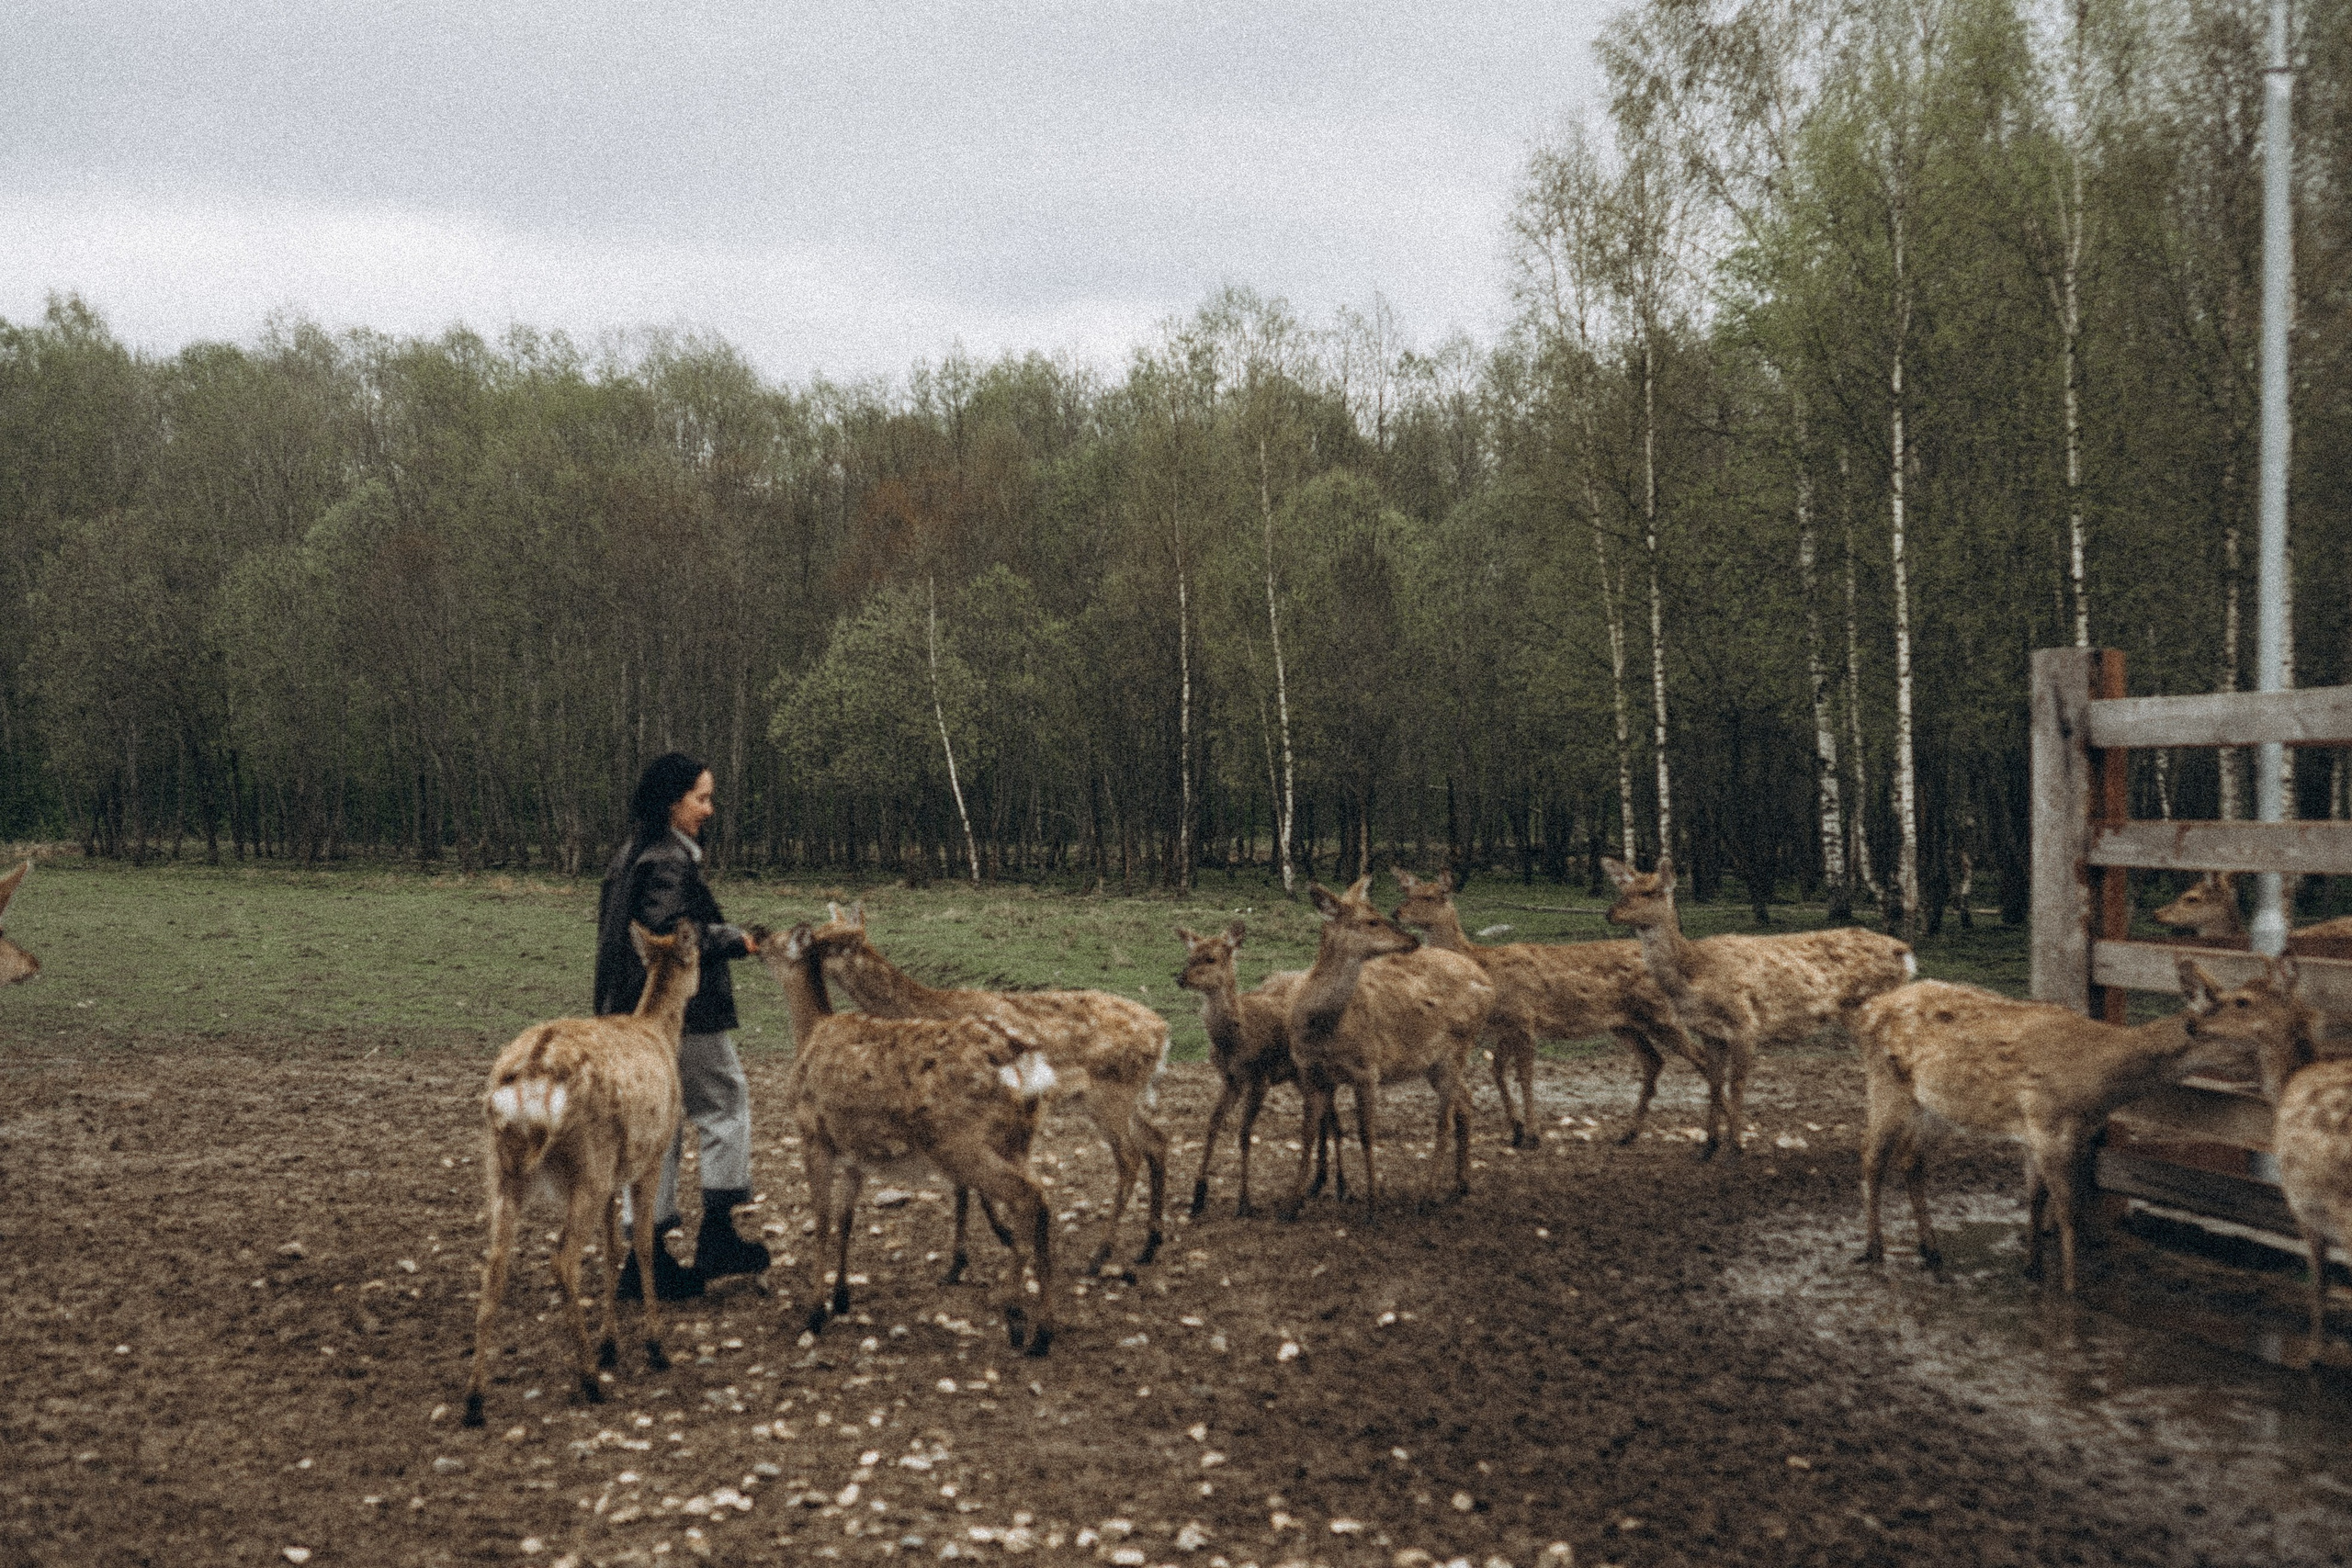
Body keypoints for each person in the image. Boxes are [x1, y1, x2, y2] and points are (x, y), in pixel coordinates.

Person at [595, 751, 771, 1301]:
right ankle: (719, 1235)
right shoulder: (668, 860)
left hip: (627, 1013)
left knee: (658, 1123)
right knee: (724, 1101)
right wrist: (736, 939)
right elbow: (673, 936)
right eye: (701, 798)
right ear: (673, 803)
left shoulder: (631, 853)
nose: (709, 809)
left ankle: (645, 1262)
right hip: (677, 1013)